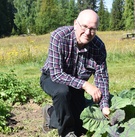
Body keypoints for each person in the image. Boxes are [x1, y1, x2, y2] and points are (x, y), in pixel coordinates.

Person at [40, 9, 110, 137]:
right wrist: (86, 85)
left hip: (76, 85)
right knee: (62, 92)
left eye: (93, 29)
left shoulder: (98, 47)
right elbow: (57, 75)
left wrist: (105, 106)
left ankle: (50, 113)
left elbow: (102, 78)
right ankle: (66, 133)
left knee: (80, 127)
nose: (88, 33)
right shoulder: (59, 37)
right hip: (51, 78)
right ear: (75, 24)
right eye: (84, 27)